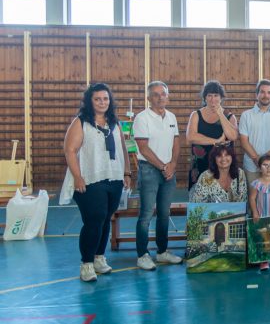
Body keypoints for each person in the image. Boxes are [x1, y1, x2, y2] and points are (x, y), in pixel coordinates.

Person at [62, 83, 130, 282]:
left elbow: (123, 149)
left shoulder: (115, 123)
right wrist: (78, 177)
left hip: (114, 177)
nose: (102, 102)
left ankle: (99, 257)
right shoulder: (81, 122)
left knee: (106, 218)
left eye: (106, 98)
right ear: (89, 101)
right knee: (94, 220)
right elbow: (70, 151)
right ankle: (87, 263)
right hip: (90, 179)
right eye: (98, 99)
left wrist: (127, 172)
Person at [133, 81, 183, 271]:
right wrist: (163, 166)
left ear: (167, 96)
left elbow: (176, 142)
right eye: (155, 94)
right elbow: (143, 148)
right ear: (148, 98)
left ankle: (162, 252)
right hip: (149, 170)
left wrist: (173, 165)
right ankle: (142, 255)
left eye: (163, 94)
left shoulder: (171, 116)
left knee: (164, 214)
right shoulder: (142, 118)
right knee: (146, 214)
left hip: (168, 170)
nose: (160, 97)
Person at [186, 80, 238, 190]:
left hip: (223, 166)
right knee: (199, 203)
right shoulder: (196, 115)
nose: (213, 99)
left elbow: (233, 136)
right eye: (209, 95)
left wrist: (220, 114)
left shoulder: (229, 116)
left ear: (221, 97)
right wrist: (217, 141)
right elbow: (191, 137)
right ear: (205, 97)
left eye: (216, 95)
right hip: (200, 165)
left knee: (222, 204)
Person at [239, 79, 270, 191]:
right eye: (262, 92)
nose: (265, 95)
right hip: (252, 167)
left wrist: (265, 161)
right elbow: (243, 141)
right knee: (254, 201)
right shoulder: (246, 115)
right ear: (256, 94)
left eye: (269, 92)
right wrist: (256, 159)